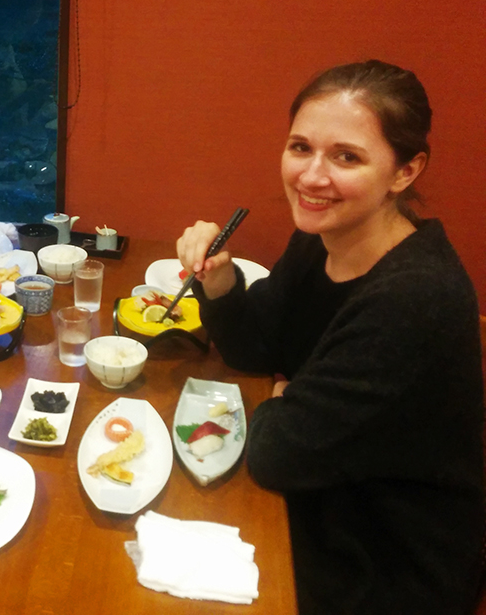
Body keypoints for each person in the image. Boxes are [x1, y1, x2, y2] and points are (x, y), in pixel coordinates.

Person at [176, 60, 483, 614]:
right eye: (301, 148)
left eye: (346, 157)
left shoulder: (414, 298)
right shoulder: (322, 237)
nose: (312, 177)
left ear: (405, 171)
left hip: (381, 558)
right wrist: (218, 282)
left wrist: (285, 402)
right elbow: (254, 348)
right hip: (315, 495)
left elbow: (276, 453)